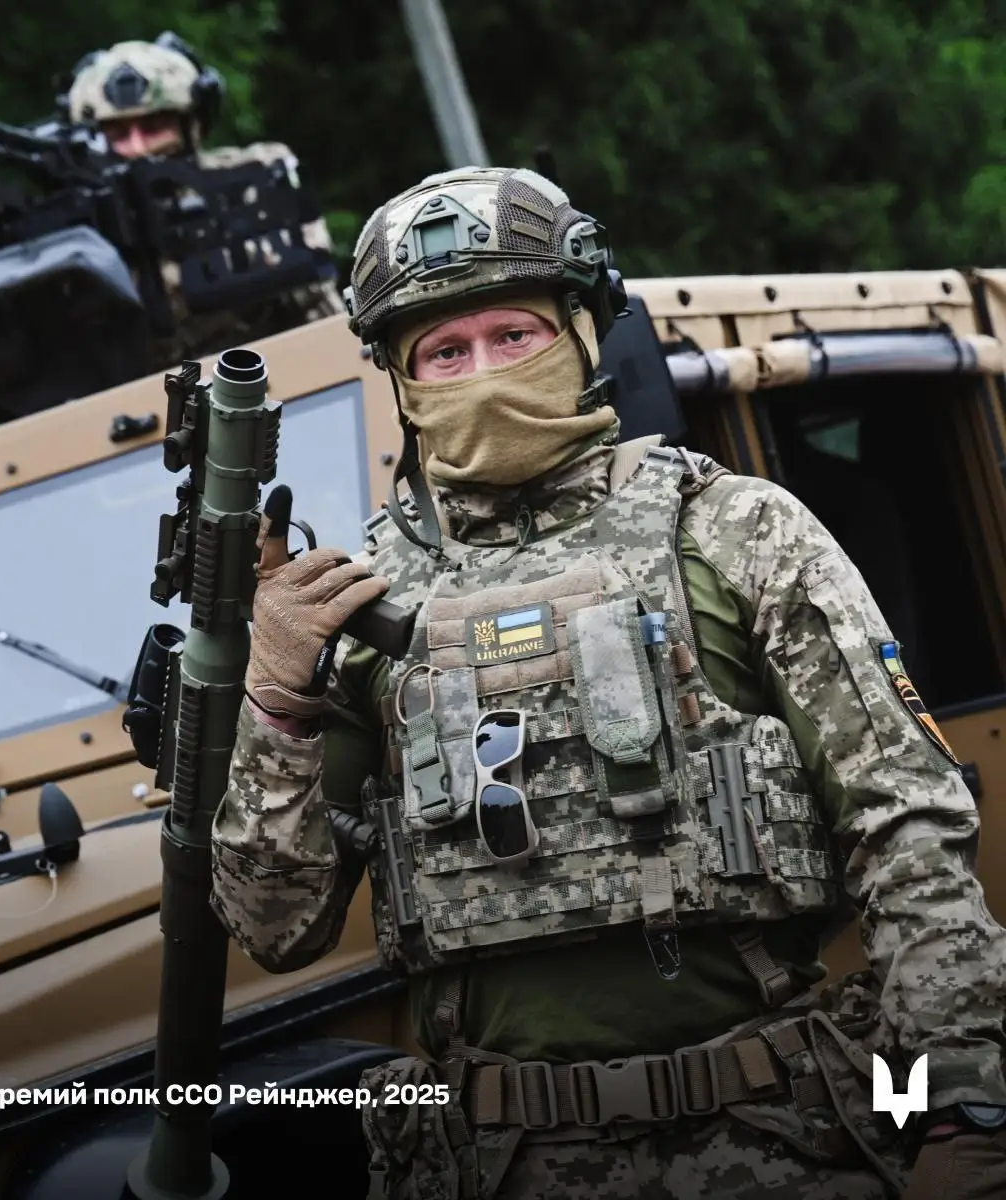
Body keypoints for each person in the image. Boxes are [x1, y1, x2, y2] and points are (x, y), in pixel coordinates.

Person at [210, 165, 1006, 1199]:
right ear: (403, 384)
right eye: (444, 351)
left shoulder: (734, 530)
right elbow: (276, 930)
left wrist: (962, 1106)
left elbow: (907, 827)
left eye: (514, 335)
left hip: (783, 1134)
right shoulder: (357, 607)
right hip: (498, 1164)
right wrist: (275, 699)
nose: (482, 372)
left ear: (583, 334)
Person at [63, 32, 345, 368]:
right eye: (117, 134)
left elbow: (307, 273)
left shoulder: (253, 174)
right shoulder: (81, 223)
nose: (137, 148)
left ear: (191, 123)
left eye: (155, 127)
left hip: (291, 367)